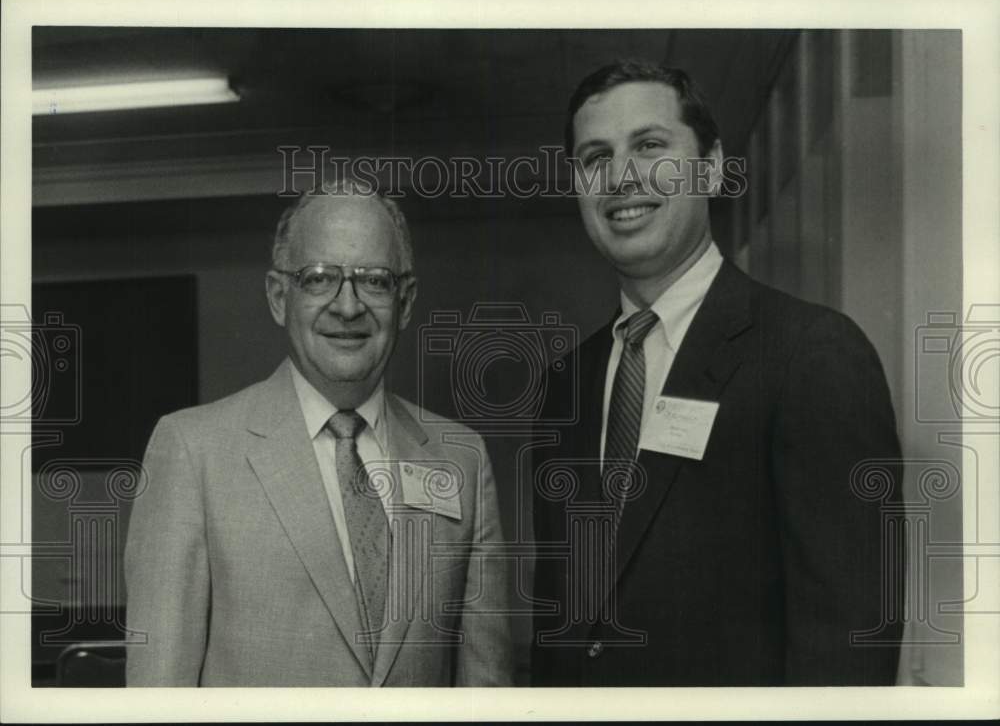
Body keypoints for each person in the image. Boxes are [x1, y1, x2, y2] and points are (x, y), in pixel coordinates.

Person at [530, 60, 903, 686]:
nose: (620, 177)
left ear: (712, 165)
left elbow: (850, 640)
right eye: (595, 157)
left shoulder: (812, 354)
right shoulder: (566, 382)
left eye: (650, 146)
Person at [125, 180, 512, 686]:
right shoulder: (192, 452)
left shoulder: (460, 462)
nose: (347, 306)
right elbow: (158, 698)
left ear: (406, 300)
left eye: (373, 280)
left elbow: (486, 694)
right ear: (280, 296)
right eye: (319, 278)